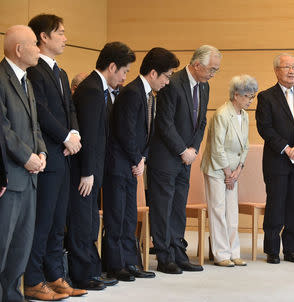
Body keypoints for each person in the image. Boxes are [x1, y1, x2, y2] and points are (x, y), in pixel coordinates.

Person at [24, 14, 87, 300]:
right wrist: (65, 137)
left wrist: (74, 134)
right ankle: (34, 280)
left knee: (58, 219)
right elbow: (40, 111)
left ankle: (54, 275)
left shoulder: (60, 72)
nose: (65, 37)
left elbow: (69, 108)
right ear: (43, 37)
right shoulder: (34, 70)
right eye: (59, 32)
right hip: (47, 155)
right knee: (43, 221)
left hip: (64, 156)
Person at [103, 47, 179, 280]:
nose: (167, 82)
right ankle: (116, 265)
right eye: (166, 76)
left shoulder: (149, 96)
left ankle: (130, 262)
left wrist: (142, 157)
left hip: (133, 162)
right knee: (116, 216)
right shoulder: (132, 93)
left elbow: (148, 133)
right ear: (154, 73)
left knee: (128, 216)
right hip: (119, 164)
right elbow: (125, 132)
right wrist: (137, 158)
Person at [67, 41, 135, 290]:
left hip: (93, 170)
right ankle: (83, 274)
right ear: (112, 66)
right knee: (83, 223)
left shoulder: (100, 89)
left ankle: (92, 270)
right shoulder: (93, 90)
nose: (125, 76)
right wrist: (87, 172)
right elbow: (88, 135)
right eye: (125, 71)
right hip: (85, 171)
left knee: (91, 222)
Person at [148, 45, 222, 274]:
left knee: (179, 206)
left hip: (186, 158)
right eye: (212, 69)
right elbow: (165, 122)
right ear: (197, 65)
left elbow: (201, 122)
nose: (213, 74)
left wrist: (193, 149)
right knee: (163, 207)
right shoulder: (173, 83)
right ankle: (163, 255)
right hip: (165, 156)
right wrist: (182, 149)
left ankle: (178, 252)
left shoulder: (205, 86)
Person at [255, 53, 294, 264]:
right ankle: (272, 249)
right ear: (276, 71)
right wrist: (286, 148)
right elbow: (265, 128)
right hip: (277, 160)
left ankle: (291, 249)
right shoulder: (266, 97)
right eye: (287, 67)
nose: (292, 71)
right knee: (276, 205)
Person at [0, 25, 47, 302]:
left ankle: (11, 297)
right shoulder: (1, 78)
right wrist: (26, 156)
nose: (38, 49)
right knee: (3, 245)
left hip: (30, 177)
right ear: (19, 49)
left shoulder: (26, 79)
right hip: (11, 175)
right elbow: (3, 129)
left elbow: (34, 126)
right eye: (34, 44)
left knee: (21, 245)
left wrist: (40, 153)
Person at [200, 74, 258, 267]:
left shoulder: (245, 114)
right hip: (217, 169)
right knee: (218, 211)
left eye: (252, 96)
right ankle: (221, 254)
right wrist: (227, 173)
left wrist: (238, 170)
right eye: (248, 96)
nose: (251, 100)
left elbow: (245, 145)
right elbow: (217, 147)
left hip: (233, 171)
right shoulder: (222, 114)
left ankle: (234, 252)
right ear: (236, 95)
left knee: (232, 212)